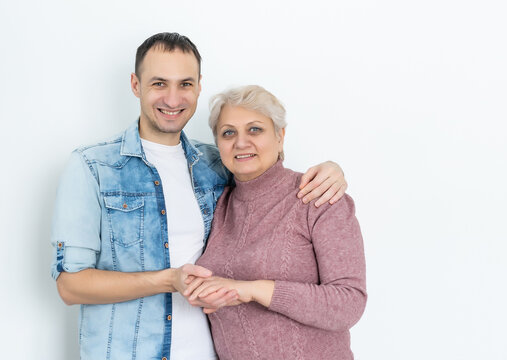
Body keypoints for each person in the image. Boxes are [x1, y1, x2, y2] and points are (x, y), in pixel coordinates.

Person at [50, 33, 348, 360]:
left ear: (199, 86)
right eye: (159, 84)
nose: (173, 98)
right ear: (136, 85)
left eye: (185, 84)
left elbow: (266, 178)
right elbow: (70, 286)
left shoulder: (216, 165)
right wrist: (169, 280)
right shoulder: (93, 166)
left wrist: (333, 170)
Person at [186, 85, 367, 359]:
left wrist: (253, 289)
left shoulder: (317, 197)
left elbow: (349, 303)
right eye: (228, 133)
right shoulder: (216, 203)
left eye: (255, 129)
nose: (241, 142)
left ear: (280, 136)